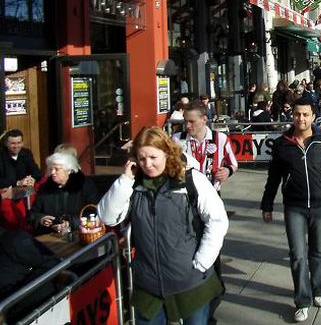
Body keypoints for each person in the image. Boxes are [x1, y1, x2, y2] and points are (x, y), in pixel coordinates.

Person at [98, 127, 229, 325]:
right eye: (142, 159)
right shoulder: (133, 185)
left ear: (167, 153)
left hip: (190, 281)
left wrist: (202, 261)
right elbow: (108, 217)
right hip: (149, 283)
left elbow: (217, 220)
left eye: (153, 157)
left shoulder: (190, 180)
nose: (148, 164)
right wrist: (125, 180)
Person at [260, 97, 321, 323]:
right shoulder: (282, 144)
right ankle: (302, 300)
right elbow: (273, 177)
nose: (301, 118)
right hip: (294, 207)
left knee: (317, 252)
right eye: (297, 114)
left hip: (320, 205)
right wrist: (267, 204)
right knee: (298, 256)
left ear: (313, 116)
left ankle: (318, 290)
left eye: (305, 114)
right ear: (293, 116)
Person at [0, 211, 60, 319]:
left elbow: (51, 263)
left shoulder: (12, 241)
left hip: (40, 310)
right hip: (2, 314)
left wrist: (16, 302)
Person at [28, 152, 99, 236]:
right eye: (51, 169)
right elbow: (32, 214)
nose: (53, 172)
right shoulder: (45, 188)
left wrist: (70, 222)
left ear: (69, 170)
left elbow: (94, 211)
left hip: (79, 234)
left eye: (57, 169)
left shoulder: (84, 185)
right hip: (50, 236)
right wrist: (41, 219)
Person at [174, 102, 238, 192]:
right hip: (185, 194)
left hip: (212, 193)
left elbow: (233, 164)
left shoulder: (221, 138)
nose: (187, 126)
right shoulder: (176, 139)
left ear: (204, 119)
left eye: (192, 121)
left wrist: (227, 171)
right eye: (185, 121)